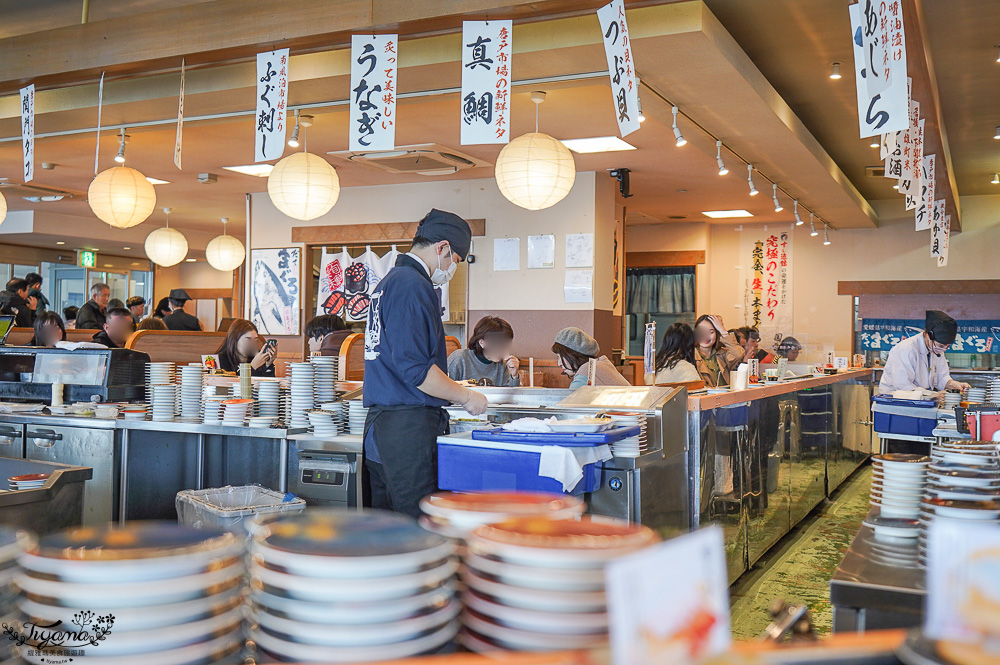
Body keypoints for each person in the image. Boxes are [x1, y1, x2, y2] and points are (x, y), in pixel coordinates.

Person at [363, 209, 488, 519]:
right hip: (404, 431)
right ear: (442, 248)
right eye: (456, 260)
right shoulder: (410, 285)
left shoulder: (392, 281)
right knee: (414, 528)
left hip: (388, 431)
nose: (452, 268)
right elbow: (416, 370)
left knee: (390, 528)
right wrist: (466, 396)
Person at [879, 310, 971, 394]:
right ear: (927, 335)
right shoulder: (906, 349)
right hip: (895, 404)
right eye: (941, 346)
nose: (943, 349)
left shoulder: (935, 349)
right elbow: (903, 386)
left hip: (921, 402)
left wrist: (954, 384)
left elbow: (941, 378)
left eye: (948, 346)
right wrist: (933, 395)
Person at [447, 316, 520, 387]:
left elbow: (509, 396)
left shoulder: (503, 365)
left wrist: (514, 376)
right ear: (482, 342)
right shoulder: (459, 358)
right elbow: (443, 388)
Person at [552, 326, 631, 390]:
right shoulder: (601, 363)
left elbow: (569, 404)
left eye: (560, 357)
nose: (559, 363)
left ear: (572, 354)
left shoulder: (588, 369)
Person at [694, 314, 743, 388]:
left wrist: (722, 330)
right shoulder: (690, 356)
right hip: (706, 398)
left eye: (711, 332)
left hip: (726, 397)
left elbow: (738, 354)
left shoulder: (722, 354)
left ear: (717, 334)